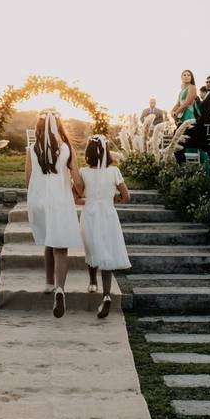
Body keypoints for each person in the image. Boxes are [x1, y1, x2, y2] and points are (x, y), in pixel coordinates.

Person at [24, 110, 83, 319]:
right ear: (58, 125)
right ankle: (60, 288)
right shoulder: (67, 148)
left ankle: (48, 283)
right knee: (61, 247)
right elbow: (76, 178)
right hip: (60, 202)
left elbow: (27, 179)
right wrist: (79, 191)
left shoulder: (32, 149)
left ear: (39, 128)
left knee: (49, 240)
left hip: (39, 201)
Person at [78, 135, 131, 319]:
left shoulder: (83, 172)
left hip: (90, 214)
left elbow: (74, 195)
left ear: (88, 153)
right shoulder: (114, 171)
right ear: (107, 152)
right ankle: (107, 294)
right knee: (106, 253)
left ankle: (92, 282)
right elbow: (126, 197)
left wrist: (86, 199)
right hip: (108, 214)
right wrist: (112, 199)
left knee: (91, 247)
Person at [171, 70, 210, 173]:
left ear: (191, 77)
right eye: (184, 74)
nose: (186, 76)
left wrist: (177, 112)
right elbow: (178, 103)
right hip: (182, 120)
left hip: (190, 120)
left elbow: (188, 102)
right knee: (176, 144)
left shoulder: (192, 87)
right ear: (181, 77)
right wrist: (172, 111)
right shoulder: (181, 90)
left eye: (188, 75)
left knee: (178, 142)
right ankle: (183, 169)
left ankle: (185, 169)